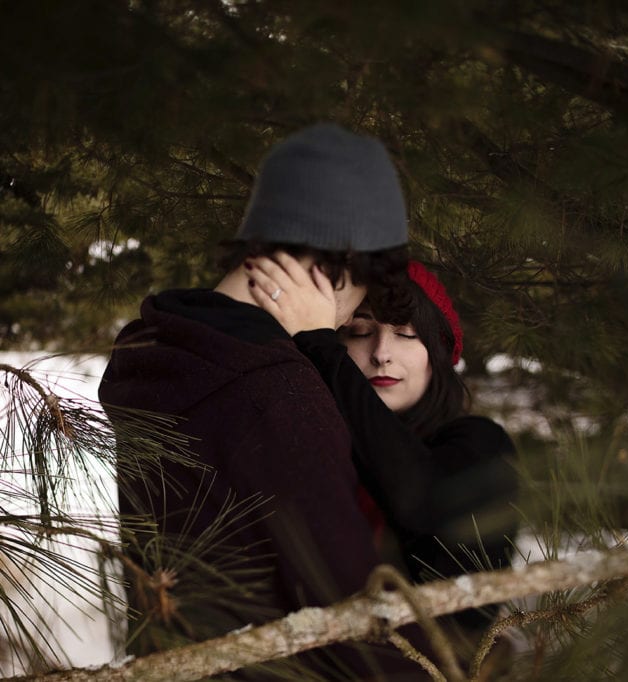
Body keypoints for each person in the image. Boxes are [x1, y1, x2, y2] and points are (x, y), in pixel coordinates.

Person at [99, 124, 426, 679]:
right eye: (358, 298)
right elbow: (348, 606)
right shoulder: (274, 388)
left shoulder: (153, 343)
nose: (348, 320)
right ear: (336, 268)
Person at [246, 254, 519, 631]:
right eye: (359, 331)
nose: (381, 354)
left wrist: (320, 344)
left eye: (406, 334)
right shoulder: (303, 446)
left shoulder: (482, 444)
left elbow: (422, 501)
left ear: (437, 356)